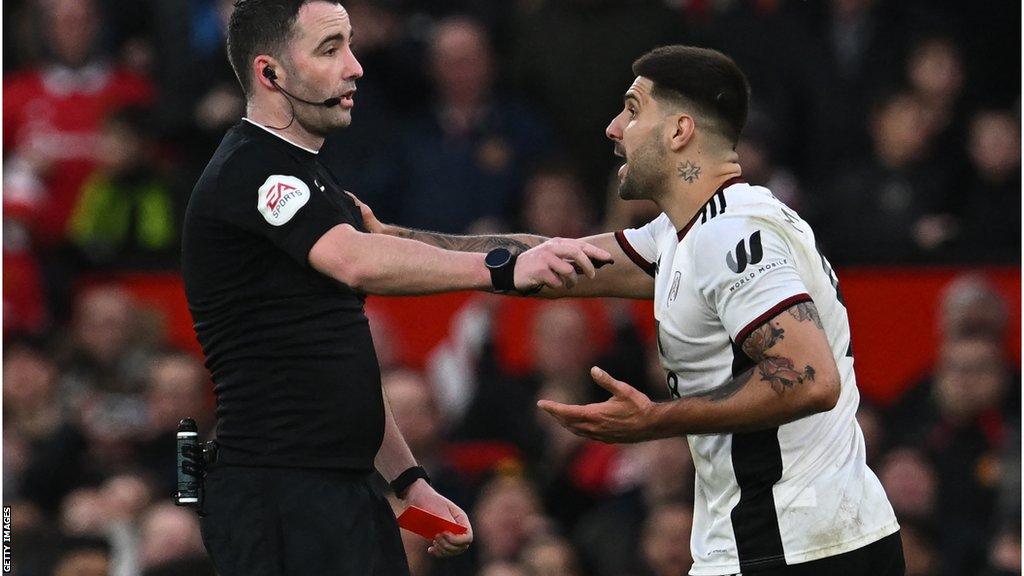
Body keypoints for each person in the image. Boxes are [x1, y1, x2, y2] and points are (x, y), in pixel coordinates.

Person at [352, 45, 903, 575]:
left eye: (633, 110)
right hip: (799, 539)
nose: (613, 128)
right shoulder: (689, 233)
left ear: (680, 131)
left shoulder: (731, 235)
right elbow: (548, 263)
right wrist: (397, 239)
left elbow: (810, 379)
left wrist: (654, 420)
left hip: (796, 546)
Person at [180, 1, 609, 575]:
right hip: (277, 494)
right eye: (330, 49)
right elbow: (358, 259)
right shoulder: (252, 168)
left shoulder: (316, 184)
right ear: (270, 73)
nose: (355, 66)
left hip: (345, 490)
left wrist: (410, 483)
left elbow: (343, 350)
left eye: (351, 46)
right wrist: (502, 272)